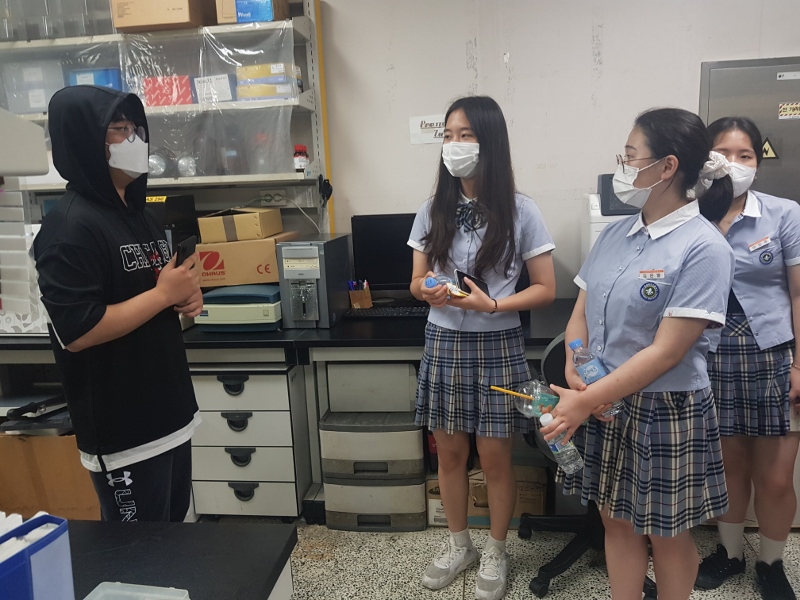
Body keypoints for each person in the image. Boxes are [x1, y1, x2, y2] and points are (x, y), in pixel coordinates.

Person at [540, 107, 735, 600]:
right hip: (604, 401)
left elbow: (667, 352)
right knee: (616, 522)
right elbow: (580, 316)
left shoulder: (704, 247)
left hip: (665, 410)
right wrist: (579, 368)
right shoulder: (615, 234)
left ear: (667, 167)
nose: (622, 168)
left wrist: (584, 399)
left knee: (667, 535)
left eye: (630, 156)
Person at [409, 95, 556, 600]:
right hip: (444, 341)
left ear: (489, 141)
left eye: (466, 135)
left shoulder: (522, 210)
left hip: (497, 343)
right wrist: (428, 290)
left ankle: (496, 549)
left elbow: (546, 288)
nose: (454, 145)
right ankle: (459, 545)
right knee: (450, 454)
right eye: (448, 135)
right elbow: (416, 281)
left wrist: (491, 305)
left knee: (495, 458)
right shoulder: (432, 209)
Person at [33, 86, 203, 522]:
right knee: (138, 556)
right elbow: (79, 330)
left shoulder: (141, 215)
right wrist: (162, 294)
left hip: (170, 415)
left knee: (173, 544)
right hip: (124, 432)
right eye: (119, 130)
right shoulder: (68, 229)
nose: (135, 140)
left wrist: (183, 294)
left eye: (137, 129)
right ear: (85, 141)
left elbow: (150, 294)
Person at [694, 117, 800, 600]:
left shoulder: (783, 214)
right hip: (710, 353)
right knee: (728, 468)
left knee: (775, 478)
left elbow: (798, 294)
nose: (734, 164)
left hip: (773, 354)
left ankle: (772, 564)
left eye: (746, 155)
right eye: (723, 154)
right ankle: (730, 554)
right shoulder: (691, 214)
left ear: (759, 161)